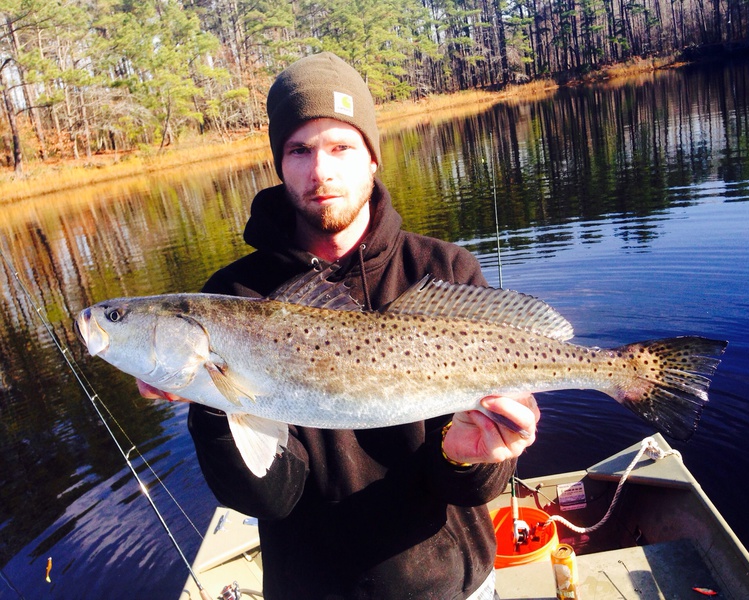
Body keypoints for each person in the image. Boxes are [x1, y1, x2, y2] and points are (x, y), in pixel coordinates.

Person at [142, 52, 539, 599]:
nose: (320, 170)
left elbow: (475, 486)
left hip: (452, 587)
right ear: (280, 165)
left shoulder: (445, 271)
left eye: (341, 146)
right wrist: (212, 399)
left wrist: (466, 455)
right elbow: (269, 499)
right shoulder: (233, 298)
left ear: (372, 158)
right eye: (299, 150)